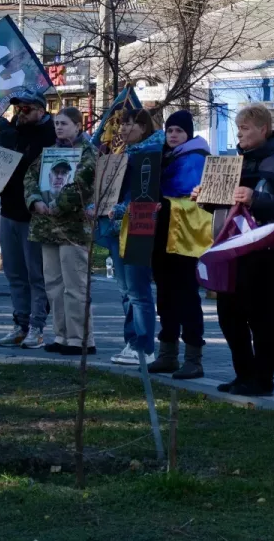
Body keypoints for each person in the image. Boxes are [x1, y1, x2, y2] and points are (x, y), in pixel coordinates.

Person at [203, 103, 274, 397]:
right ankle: (243, 374)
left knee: (260, 316)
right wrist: (205, 197)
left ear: (263, 130)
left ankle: (263, 380)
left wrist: (255, 198)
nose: (239, 134)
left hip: (265, 249)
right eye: (238, 128)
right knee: (228, 313)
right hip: (232, 247)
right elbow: (225, 203)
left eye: (245, 129)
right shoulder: (237, 161)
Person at [25, 107, 98, 356]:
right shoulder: (50, 152)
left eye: (64, 123)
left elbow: (82, 183)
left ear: (79, 125)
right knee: (54, 285)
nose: (58, 128)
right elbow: (31, 176)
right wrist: (35, 200)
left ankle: (80, 338)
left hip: (74, 228)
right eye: (56, 123)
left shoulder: (88, 153)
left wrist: (58, 205)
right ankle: (61, 335)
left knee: (75, 285)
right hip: (47, 227)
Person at [146, 110, 210, 378]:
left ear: (189, 134)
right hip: (162, 234)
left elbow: (187, 191)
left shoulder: (195, 158)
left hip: (184, 237)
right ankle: (167, 354)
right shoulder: (164, 155)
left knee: (186, 296)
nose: (173, 135)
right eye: (170, 130)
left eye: (179, 131)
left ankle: (193, 358)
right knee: (165, 296)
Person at [0, 90, 55, 348]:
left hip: (35, 214)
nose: (20, 114)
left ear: (40, 109)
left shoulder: (50, 135)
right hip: (9, 209)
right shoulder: (9, 133)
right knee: (14, 272)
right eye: (17, 109)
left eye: (26, 109)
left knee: (35, 275)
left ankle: (37, 327)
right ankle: (20, 324)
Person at [106, 111, 163, 365]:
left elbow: (142, 194)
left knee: (138, 292)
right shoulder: (124, 155)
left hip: (139, 229)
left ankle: (145, 346)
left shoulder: (149, 155)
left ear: (142, 127)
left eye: (127, 124)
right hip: (118, 229)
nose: (122, 129)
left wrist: (118, 208)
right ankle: (131, 342)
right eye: (120, 124)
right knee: (125, 291)